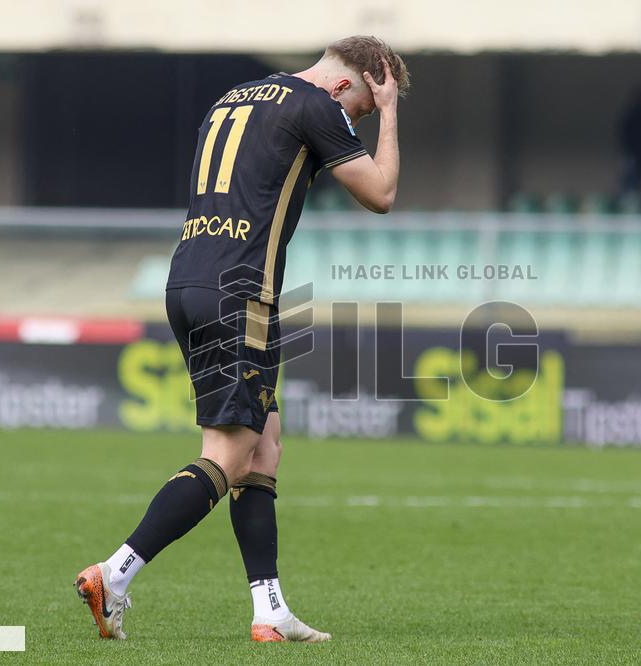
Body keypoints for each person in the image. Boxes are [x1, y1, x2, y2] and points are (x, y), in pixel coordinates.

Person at [75, 36, 409, 643]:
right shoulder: (317, 103)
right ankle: (115, 574)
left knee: (264, 447)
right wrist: (387, 112)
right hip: (242, 293)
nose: (351, 120)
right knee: (228, 456)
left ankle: (269, 608)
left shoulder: (232, 98)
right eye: (357, 107)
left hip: (186, 282)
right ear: (346, 85)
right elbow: (380, 194)